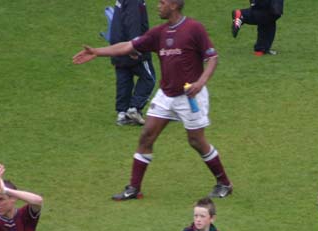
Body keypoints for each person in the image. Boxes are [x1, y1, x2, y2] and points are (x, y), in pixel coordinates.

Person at [73, 0, 234, 201]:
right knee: (146, 135)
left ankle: (224, 183)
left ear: (174, 5)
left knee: (196, 141)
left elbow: (212, 58)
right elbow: (128, 46)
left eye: (162, 2)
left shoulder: (194, 28)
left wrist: (200, 82)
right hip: (166, 95)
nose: (158, 6)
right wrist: (97, 52)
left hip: (190, 96)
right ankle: (133, 188)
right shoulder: (159, 33)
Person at [108, 0, 156, 126]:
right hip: (131, 46)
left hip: (117, 46)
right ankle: (134, 108)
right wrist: (134, 46)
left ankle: (122, 114)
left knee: (124, 79)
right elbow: (133, 21)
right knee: (149, 78)